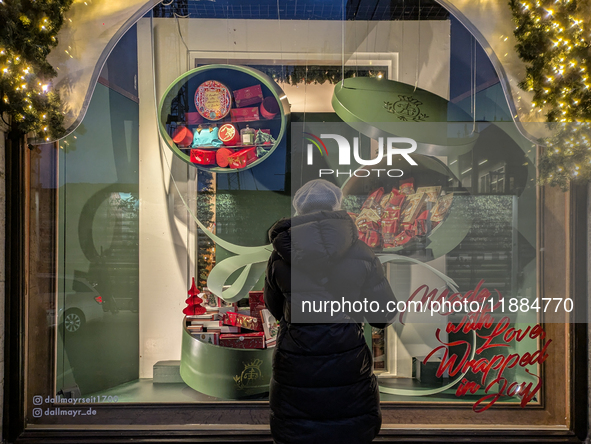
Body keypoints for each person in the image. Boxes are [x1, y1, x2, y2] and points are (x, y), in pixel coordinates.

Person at [264, 179, 397, 444]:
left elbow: (275, 308)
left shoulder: (279, 258)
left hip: (295, 371)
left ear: (299, 212)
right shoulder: (363, 253)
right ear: (337, 208)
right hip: (348, 372)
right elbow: (382, 316)